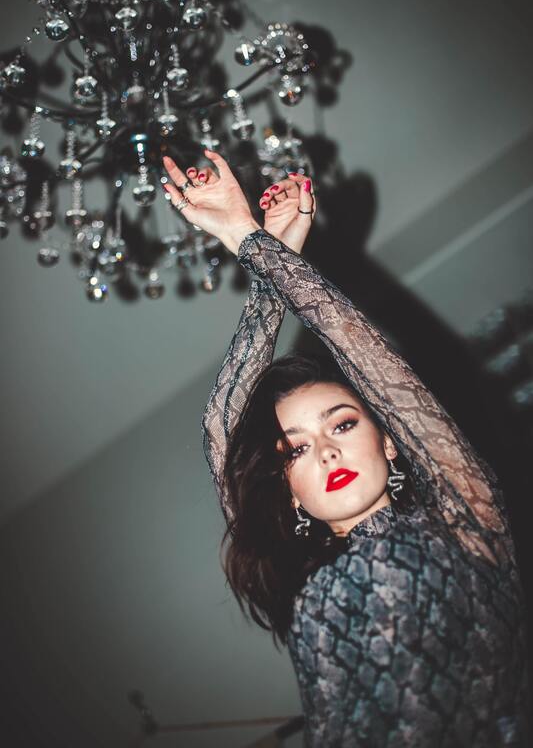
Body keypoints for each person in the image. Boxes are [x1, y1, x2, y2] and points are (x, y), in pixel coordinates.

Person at [161, 150, 530, 747]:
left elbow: (358, 347)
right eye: (296, 450)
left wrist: (250, 240)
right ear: (288, 490)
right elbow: (221, 430)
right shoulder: (297, 579)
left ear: (390, 439)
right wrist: (270, 263)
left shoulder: (467, 519)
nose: (326, 453)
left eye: (341, 425)